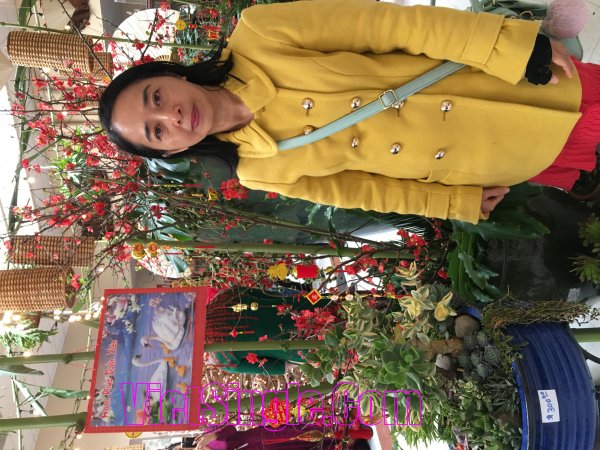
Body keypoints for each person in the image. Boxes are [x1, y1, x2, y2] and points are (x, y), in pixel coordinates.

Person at [99, 0, 600, 224]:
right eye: (156, 133)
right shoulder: (257, 169)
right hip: (482, 156)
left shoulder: (259, 33)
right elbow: (362, 190)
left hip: (500, 89)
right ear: (175, 150)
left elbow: (390, 26)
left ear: (171, 75)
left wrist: (507, 47)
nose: (171, 117)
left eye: (155, 98)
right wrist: (452, 202)